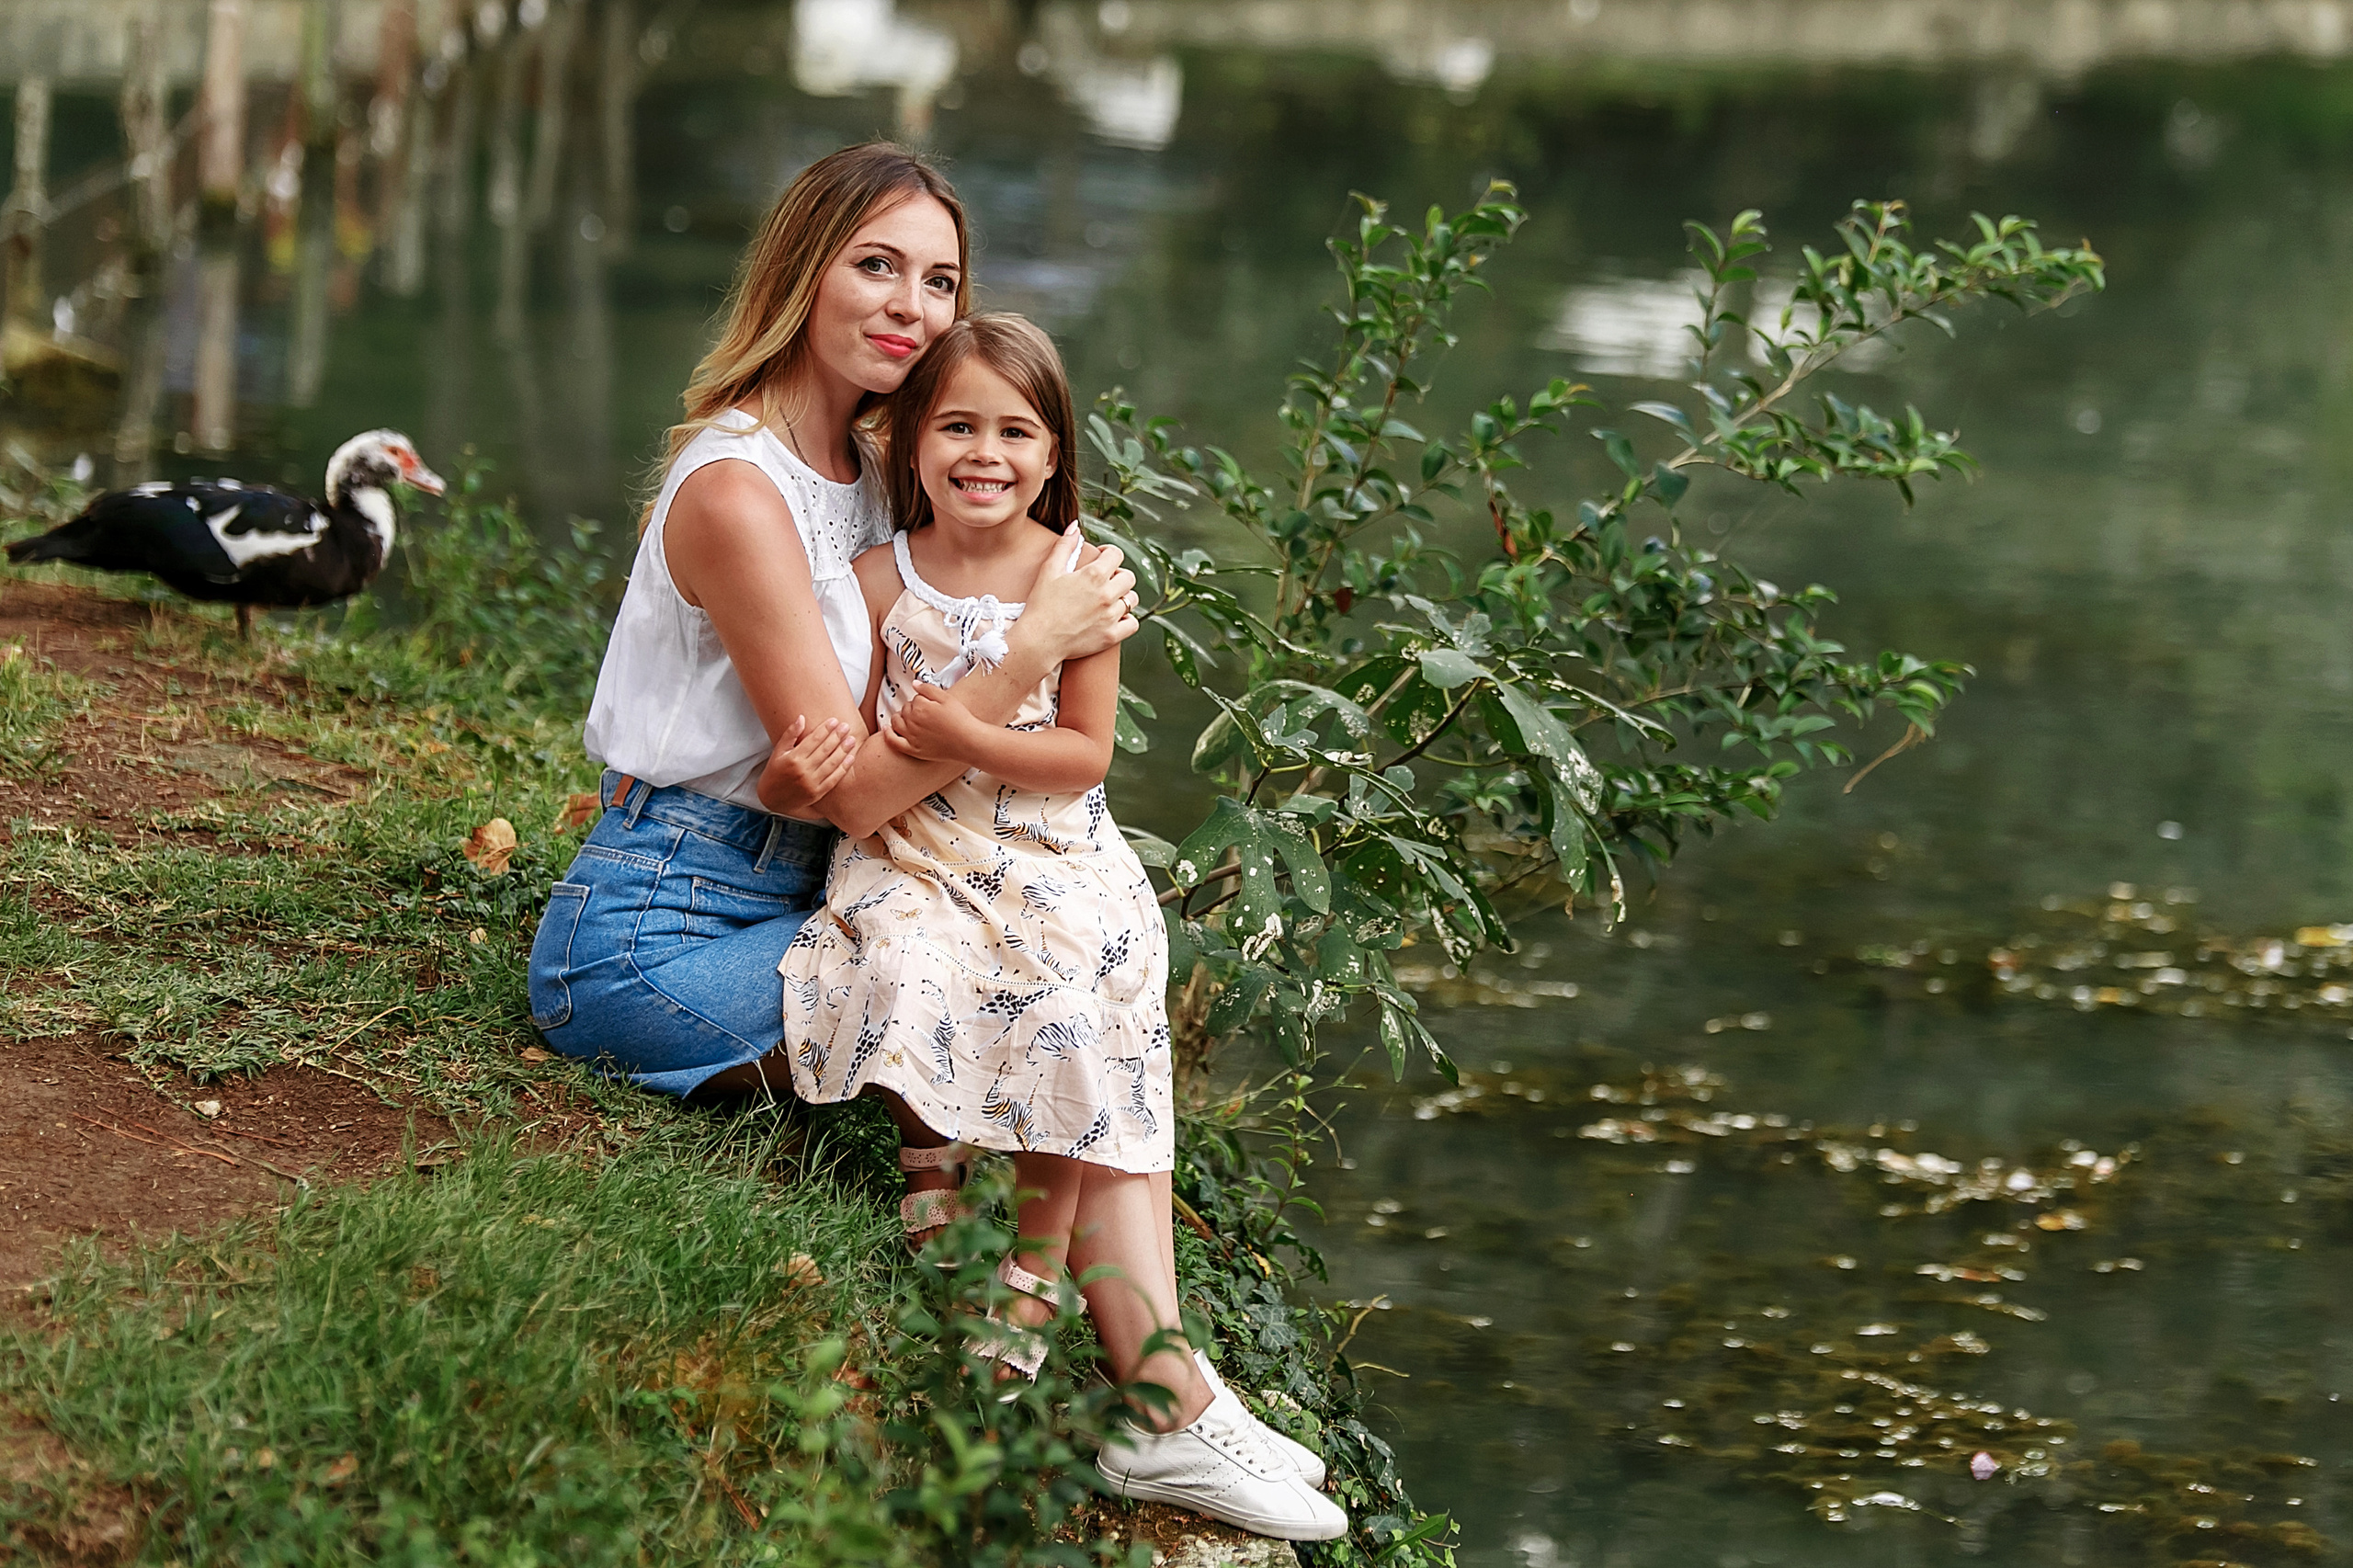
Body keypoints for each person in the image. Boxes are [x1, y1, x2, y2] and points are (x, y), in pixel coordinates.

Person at [779, 313, 1347, 1544]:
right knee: (917, 955)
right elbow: (841, 744)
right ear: (914, 439)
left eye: (1014, 431)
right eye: (959, 426)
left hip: (1045, 842)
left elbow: (1084, 750)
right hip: (921, 845)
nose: (985, 452)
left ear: (1052, 454)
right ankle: (949, 1190)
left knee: (1079, 988)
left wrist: (963, 736)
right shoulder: (882, 577)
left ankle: (1041, 1289)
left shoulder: (1075, 575)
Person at [526, 142, 1139, 1101]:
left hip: (827, 882)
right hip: (663, 930)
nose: (912, 307)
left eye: (940, 281)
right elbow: (855, 794)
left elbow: (1019, 550)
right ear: (802, 271)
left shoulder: (879, 472)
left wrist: (1068, 570)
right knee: (992, 975)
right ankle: (979, 1225)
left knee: (1059, 947)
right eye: (876, 265)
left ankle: (1072, 1247)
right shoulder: (740, 489)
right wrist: (1034, 646)